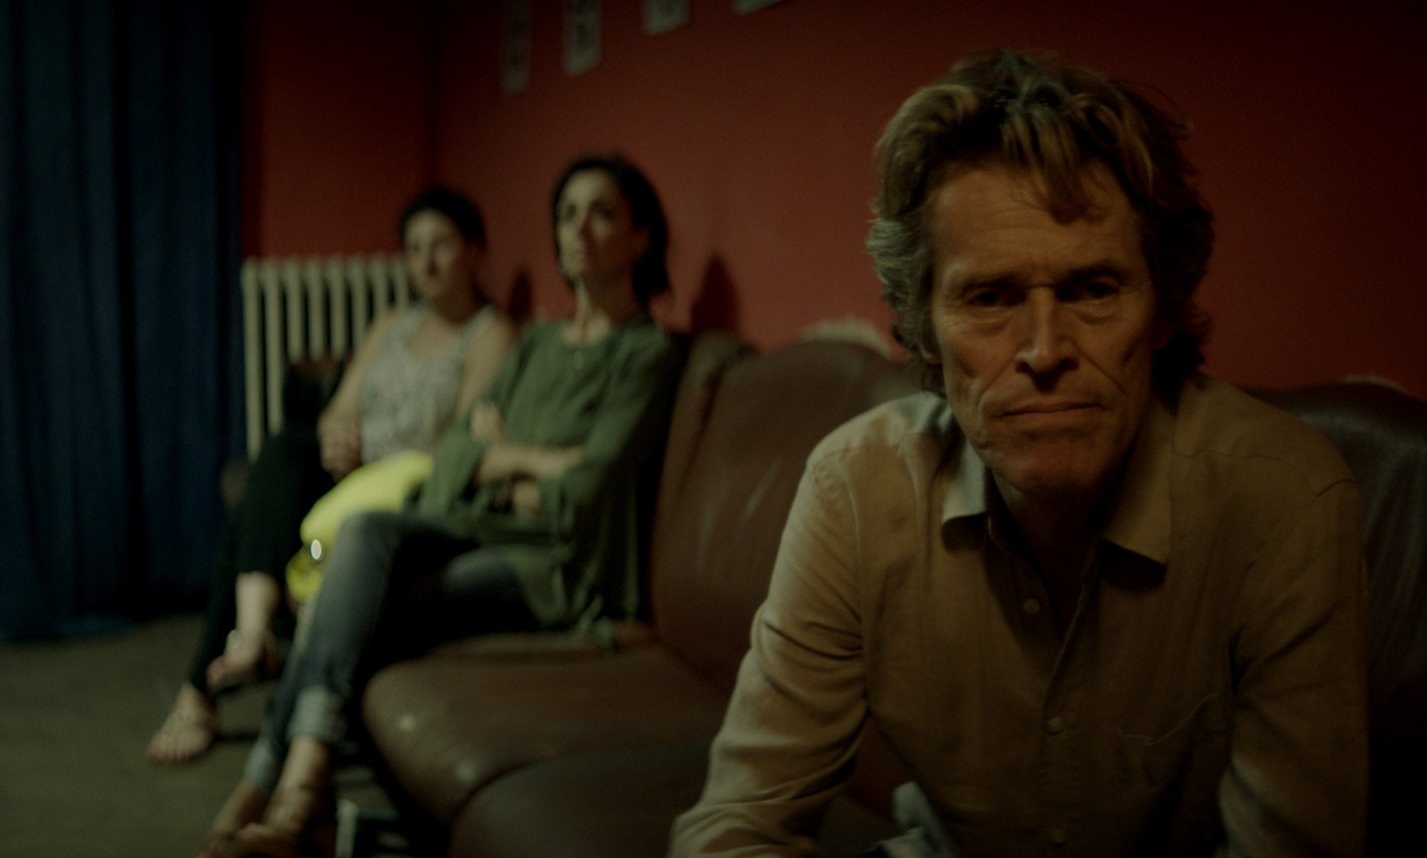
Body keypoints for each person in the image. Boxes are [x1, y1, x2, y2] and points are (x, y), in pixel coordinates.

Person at [671, 49, 1368, 856]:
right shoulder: (855, 488)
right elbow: (736, 823)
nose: (1043, 350)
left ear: (1161, 310)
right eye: (990, 297)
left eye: (1093, 290)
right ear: (924, 329)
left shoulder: (1281, 501)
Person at [199, 154, 684, 856]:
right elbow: (455, 455)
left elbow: (589, 488)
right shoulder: (538, 343)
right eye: (567, 213)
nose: (579, 229)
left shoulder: (645, 354)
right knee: (359, 533)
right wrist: (524, 463)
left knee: (358, 601)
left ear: (640, 238)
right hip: (472, 523)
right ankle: (296, 786)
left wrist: (502, 453)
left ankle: (279, 783)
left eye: (602, 213)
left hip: (549, 566)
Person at [146, 188, 515, 765]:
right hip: (347, 473)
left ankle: (203, 692)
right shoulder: (392, 323)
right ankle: (252, 633)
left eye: (441, 244)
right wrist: (338, 434)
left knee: (253, 518)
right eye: (414, 248)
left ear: (474, 250)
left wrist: (375, 454)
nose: (426, 262)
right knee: (283, 454)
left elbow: (461, 445)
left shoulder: (491, 334)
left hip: (402, 489)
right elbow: (342, 405)